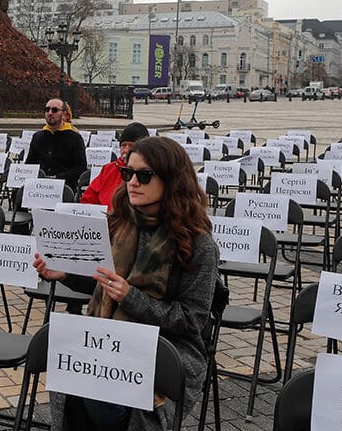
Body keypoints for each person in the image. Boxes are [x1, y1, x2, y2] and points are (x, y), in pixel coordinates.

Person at [34, 136, 219, 431]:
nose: (133, 182)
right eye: (127, 173)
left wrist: (131, 298)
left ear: (172, 180)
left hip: (166, 349)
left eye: (144, 175)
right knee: (72, 382)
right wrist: (65, 273)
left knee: (98, 394)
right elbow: (105, 285)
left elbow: (192, 321)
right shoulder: (119, 221)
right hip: (108, 339)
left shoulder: (198, 245)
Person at [80, 122, 150, 208]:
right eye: (123, 145)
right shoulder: (108, 169)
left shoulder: (148, 173)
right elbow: (89, 199)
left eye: (131, 145)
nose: (126, 150)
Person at [25, 98, 87, 191]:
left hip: (64, 187)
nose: (50, 113)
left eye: (55, 110)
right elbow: (29, 164)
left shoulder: (75, 138)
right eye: (47, 110)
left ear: (64, 114)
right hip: (38, 188)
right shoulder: (37, 137)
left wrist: (58, 177)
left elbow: (81, 167)